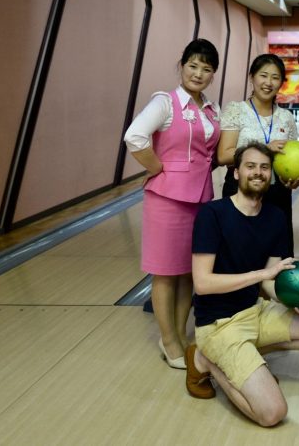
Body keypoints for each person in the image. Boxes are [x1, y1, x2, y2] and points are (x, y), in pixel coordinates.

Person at [185, 143, 299, 427]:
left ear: (272, 174)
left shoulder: (275, 217)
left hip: (255, 312)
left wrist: (295, 303)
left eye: (264, 168)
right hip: (218, 324)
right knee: (272, 414)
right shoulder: (213, 215)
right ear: (235, 173)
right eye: (250, 166)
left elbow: (270, 282)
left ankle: (245, 359)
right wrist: (260, 275)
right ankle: (207, 359)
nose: (258, 173)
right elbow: (203, 283)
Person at [124, 39, 221, 370]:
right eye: (193, 65)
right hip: (166, 199)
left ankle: (180, 334)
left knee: (187, 275)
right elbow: (134, 136)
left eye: (206, 69)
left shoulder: (211, 108)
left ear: (213, 75)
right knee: (166, 274)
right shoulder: (164, 103)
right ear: (180, 66)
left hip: (202, 199)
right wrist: (157, 168)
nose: (198, 73)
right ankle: (168, 341)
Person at [217, 54, 299, 255]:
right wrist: (264, 147)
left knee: (278, 255)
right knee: (239, 254)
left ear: (281, 82)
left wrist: (293, 180)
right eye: (263, 75)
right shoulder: (236, 110)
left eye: (275, 77)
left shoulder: (286, 117)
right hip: (240, 190)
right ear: (252, 77)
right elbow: (223, 155)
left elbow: (293, 159)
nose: (268, 82)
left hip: (277, 193)